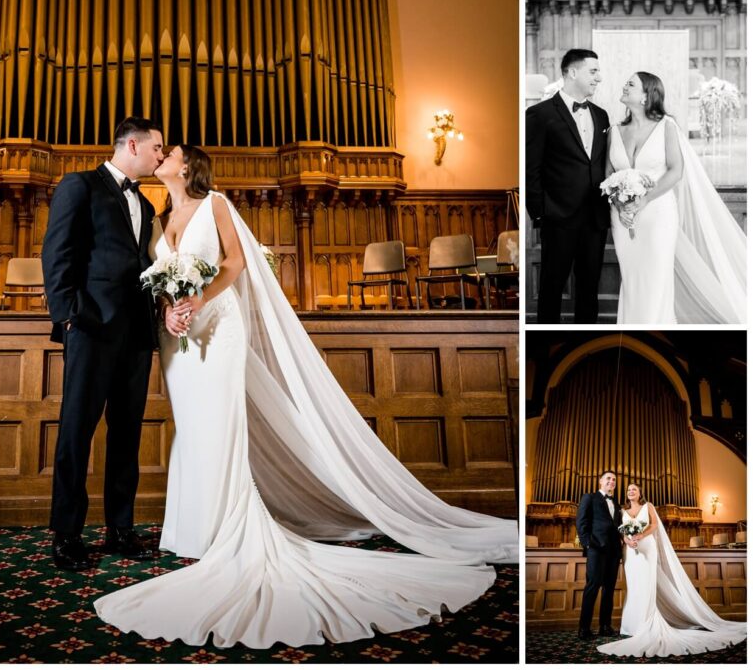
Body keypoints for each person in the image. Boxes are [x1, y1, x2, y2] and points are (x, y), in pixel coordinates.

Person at [94, 145, 518, 648]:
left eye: (171, 152)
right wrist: (170, 309)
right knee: (193, 426)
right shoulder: (158, 216)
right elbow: (158, 282)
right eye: (158, 149)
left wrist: (200, 298)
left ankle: (223, 524)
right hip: (177, 337)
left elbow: (234, 264)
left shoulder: (217, 205)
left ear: (187, 166)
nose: (162, 155)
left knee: (220, 421)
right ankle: (191, 529)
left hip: (219, 326)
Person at [41, 117, 165, 570]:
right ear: (132, 144)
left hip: (136, 334)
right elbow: (57, 254)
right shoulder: (80, 186)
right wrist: (69, 316)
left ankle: (120, 528)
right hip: (90, 327)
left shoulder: (148, 205)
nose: (160, 156)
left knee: (127, 433)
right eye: (156, 148)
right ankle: (68, 534)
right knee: (76, 431)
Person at [605, 71, 746, 324]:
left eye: (631, 84)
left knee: (656, 278)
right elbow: (609, 175)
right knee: (632, 278)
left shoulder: (666, 127)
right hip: (623, 218)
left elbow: (676, 170)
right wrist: (619, 205)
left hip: (657, 214)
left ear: (647, 95)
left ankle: (655, 335)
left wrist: (645, 200)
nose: (624, 86)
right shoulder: (614, 131)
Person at [597, 483, 746, 657]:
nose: (631, 492)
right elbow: (620, 531)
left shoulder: (648, 506)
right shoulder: (622, 511)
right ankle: (631, 625)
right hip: (630, 551)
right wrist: (628, 541)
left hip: (647, 548)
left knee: (646, 586)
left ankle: (646, 623)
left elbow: (654, 525)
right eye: (629, 490)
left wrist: (640, 535)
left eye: (634, 489)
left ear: (639, 493)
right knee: (634, 586)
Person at [525, 49, 609, 323]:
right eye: (593, 71)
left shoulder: (601, 115)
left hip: (595, 218)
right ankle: (545, 352)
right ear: (572, 73)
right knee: (551, 289)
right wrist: (540, 212)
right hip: (558, 218)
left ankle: (585, 346)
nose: (599, 77)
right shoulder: (539, 114)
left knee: (589, 291)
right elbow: (531, 168)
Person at [576, 470, 622, 641]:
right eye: (608, 478)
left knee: (609, 589)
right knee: (592, 587)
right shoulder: (590, 497)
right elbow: (581, 521)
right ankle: (584, 628)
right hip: (596, 549)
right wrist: (588, 543)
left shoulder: (616, 503)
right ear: (600, 481)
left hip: (614, 552)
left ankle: (605, 626)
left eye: (614, 479)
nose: (612, 481)